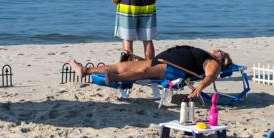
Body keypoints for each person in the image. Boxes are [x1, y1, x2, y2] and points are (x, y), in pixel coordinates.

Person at [69, 45, 232, 100]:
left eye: (221, 52)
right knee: (123, 66)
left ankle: (114, 78)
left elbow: (210, 75)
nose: (218, 50)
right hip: (164, 61)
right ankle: (86, 70)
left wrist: (200, 87)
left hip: (173, 69)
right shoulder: (210, 56)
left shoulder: (214, 63)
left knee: (142, 71)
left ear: (222, 60)